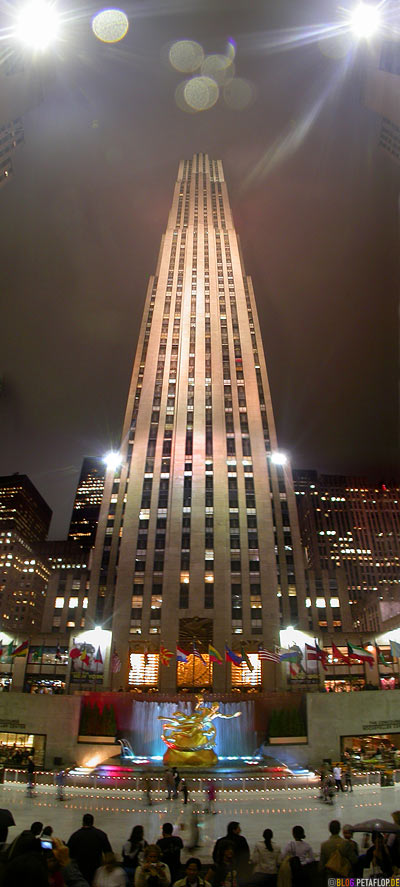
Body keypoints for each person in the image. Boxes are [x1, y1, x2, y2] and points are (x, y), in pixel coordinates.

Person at [68, 812, 112, 885]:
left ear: (83, 822)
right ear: (92, 822)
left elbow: (69, 854)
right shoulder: (101, 835)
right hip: (96, 868)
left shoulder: (75, 835)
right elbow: (109, 853)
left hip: (80, 869)